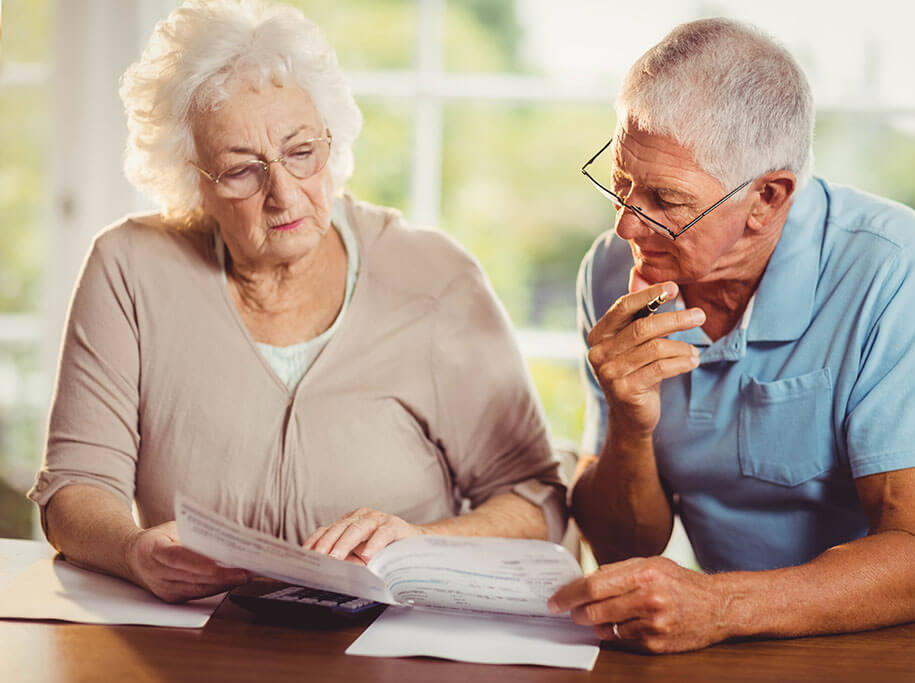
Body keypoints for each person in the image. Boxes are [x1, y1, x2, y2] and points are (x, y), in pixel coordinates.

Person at [28, 0, 565, 603]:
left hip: (391, 650)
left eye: (302, 152)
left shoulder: (436, 279)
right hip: (202, 647)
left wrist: (419, 541)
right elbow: (75, 489)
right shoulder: (129, 268)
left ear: (332, 143)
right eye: (241, 170)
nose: (284, 194)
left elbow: (536, 503)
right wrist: (132, 552)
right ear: (191, 179)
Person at [547, 18, 915, 652]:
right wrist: (630, 420)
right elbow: (624, 546)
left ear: (766, 197)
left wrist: (718, 602)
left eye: (664, 198)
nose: (627, 224)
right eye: (621, 183)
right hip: (740, 629)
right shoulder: (612, 272)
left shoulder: (894, 268)